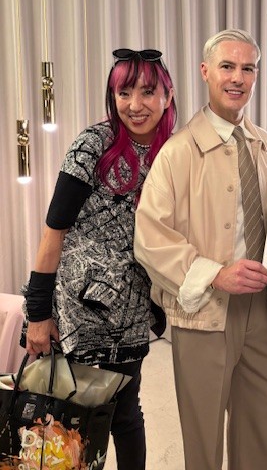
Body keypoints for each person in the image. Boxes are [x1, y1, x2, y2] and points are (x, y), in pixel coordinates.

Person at [134, 29, 267, 470]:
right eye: (228, 66)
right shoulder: (178, 153)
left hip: (262, 308)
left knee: (260, 427)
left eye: (248, 68)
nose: (238, 77)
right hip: (205, 310)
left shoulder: (265, 144)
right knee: (203, 438)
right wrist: (215, 273)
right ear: (206, 72)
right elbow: (149, 236)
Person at [24, 48, 176, 470]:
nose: (135, 105)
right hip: (78, 310)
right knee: (71, 418)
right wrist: (38, 312)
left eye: (147, 92)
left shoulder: (174, 153)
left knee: (125, 414)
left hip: (131, 312)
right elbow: (54, 231)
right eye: (124, 93)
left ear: (167, 95)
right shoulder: (93, 145)